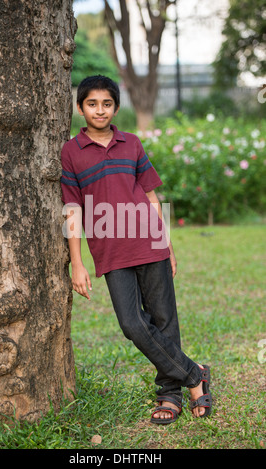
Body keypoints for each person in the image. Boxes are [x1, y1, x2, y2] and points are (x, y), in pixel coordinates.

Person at [60, 75, 212, 424]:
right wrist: (76, 263)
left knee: (163, 320)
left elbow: (150, 195)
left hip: (148, 240)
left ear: (115, 106)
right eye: (92, 103)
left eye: (107, 103)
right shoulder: (71, 152)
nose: (100, 110)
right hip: (110, 252)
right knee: (132, 323)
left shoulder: (132, 143)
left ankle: (169, 395)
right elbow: (72, 209)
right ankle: (195, 374)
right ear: (81, 107)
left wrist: (166, 242)